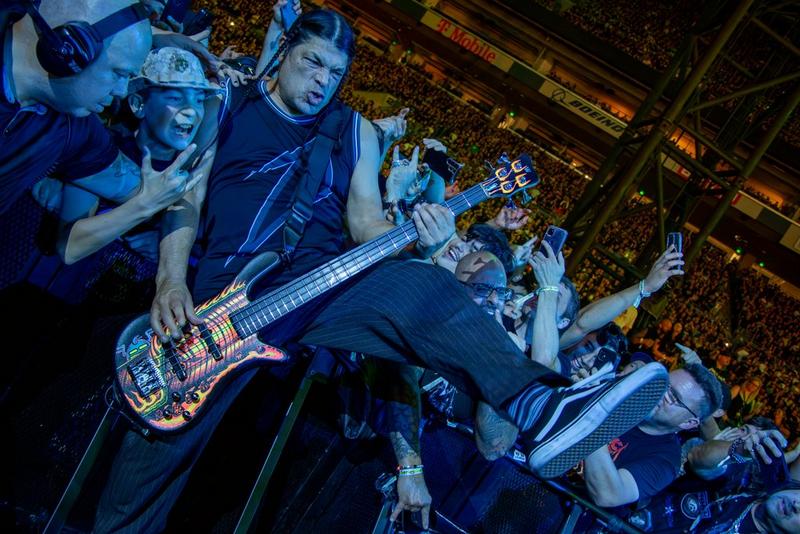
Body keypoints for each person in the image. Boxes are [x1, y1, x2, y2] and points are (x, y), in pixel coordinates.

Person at [95, 9, 669, 532]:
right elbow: (186, 199)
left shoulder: (355, 131)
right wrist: (170, 280)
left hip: (320, 290)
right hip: (222, 301)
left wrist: (421, 238)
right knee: (155, 455)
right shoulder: (230, 104)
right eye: (312, 62)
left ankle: (536, 404)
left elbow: (367, 222)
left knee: (423, 284)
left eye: (335, 72)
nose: (322, 81)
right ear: (286, 51)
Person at [33, 47, 216, 265]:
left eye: (199, 100)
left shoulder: (195, 175)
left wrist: (167, 243)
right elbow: (68, 246)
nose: (191, 111)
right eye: (176, 98)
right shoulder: (104, 152)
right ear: (139, 104)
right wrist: (143, 205)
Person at [0, 0, 155, 213]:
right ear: (67, 48)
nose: (121, 91)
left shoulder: (71, 125)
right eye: (119, 73)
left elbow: (150, 192)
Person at [580, 364, 724, 508]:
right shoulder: (626, 396)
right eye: (664, 383)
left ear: (688, 422)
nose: (661, 393)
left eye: (673, 397)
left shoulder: (666, 461)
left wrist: (595, 412)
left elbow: (608, 494)